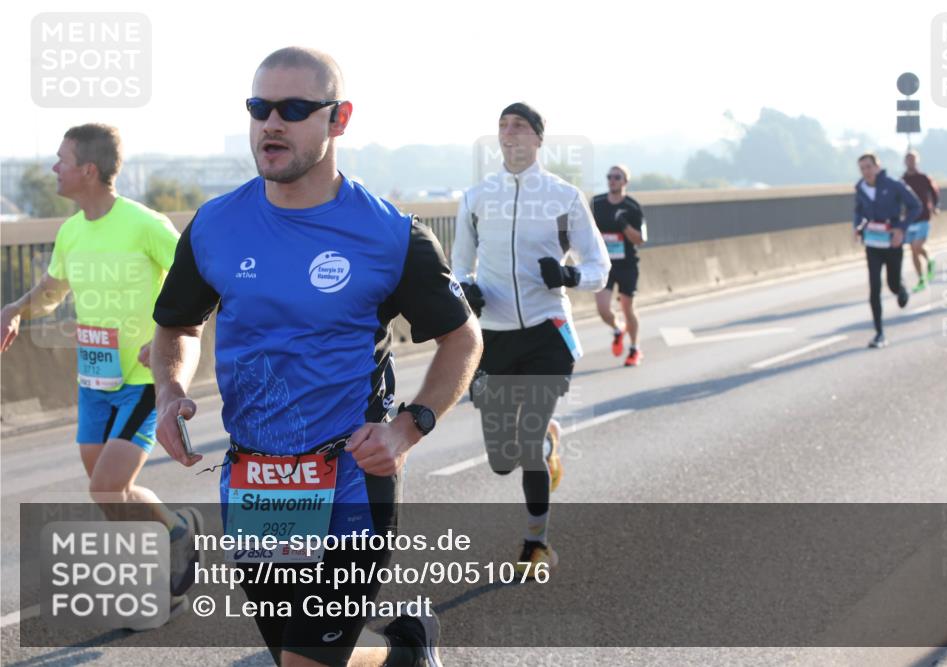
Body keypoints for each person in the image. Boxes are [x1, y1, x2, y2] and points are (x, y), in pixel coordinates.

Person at [150, 47, 481, 667]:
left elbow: (463, 340)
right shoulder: (215, 225)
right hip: (256, 482)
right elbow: (175, 327)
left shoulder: (390, 235)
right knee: (295, 657)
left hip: (350, 478)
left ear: (339, 119)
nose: (271, 123)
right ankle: (406, 655)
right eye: (260, 107)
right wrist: (169, 391)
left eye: (295, 109)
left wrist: (409, 428)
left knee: (306, 663)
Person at [0, 123, 200, 617]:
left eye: (61, 160)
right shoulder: (71, 230)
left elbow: (196, 283)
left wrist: (163, 340)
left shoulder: (145, 224)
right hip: (94, 382)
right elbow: (53, 289)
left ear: (87, 170)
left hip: (141, 381)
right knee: (115, 493)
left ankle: (168, 558)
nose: (54, 168)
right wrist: (18, 308)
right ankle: (175, 535)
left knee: (106, 486)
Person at [452, 102, 611, 577]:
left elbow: (599, 268)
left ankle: (536, 543)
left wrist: (566, 274)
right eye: (502, 127)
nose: (509, 134)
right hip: (495, 338)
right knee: (503, 460)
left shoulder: (564, 197)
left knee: (524, 442)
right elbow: (458, 266)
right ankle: (545, 442)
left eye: (520, 126)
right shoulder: (476, 198)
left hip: (547, 332)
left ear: (539, 139)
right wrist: (467, 288)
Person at [853, 153, 922, 349]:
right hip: (872, 244)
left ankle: (900, 289)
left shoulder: (893, 185)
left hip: (892, 243)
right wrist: (857, 227)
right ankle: (879, 333)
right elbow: (858, 210)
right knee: (874, 287)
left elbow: (915, 205)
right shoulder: (860, 188)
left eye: (868, 167)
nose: (865, 172)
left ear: (877, 167)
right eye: (862, 168)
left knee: (892, 284)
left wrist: (901, 228)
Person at [591, 164, 646, 366]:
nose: (612, 180)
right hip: (604, 265)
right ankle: (617, 328)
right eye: (610, 176)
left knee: (627, 307)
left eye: (617, 177)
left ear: (625, 182)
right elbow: (588, 232)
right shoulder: (596, 203)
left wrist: (622, 223)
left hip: (627, 265)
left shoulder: (633, 207)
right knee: (603, 309)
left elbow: (640, 239)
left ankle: (634, 348)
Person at [901, 151, 940, 292]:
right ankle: (921, 278)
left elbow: (934, 193)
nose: (910, 162)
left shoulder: (923, 178)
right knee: (913, 250)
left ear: (917, 161)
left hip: (923, 217)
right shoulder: (902, 180)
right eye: (908, 160)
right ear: (905, 162)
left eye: (913, 160)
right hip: (910, 219)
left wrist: (934, 207)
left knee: (917, 246)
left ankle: (929, 260)